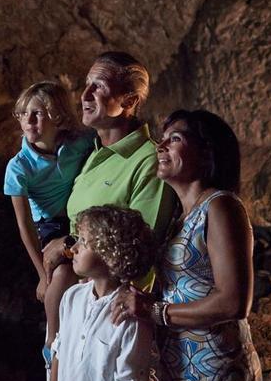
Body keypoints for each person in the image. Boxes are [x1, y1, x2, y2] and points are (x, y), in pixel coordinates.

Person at [110, 109, 264, 381]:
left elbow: (234, 302)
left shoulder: (220, 207)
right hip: (182, 369)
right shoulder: (181, 218)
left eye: (175, 139)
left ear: (207, 153)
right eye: (163, 139)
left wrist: (154, 311)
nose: (161, 146)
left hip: (214, 368)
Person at [43, 52, 175, 293]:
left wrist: (66, 245)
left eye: (99, 86)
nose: (85, 95)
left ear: (129, 101)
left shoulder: (150, 162)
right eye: (86, 85)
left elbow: (141, 249)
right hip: (80, 298)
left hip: (114, 307)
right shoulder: (94, 155)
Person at [4, 81, 94, 365]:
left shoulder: (80, 143)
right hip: (49, 225)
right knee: (63, 273)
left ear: (57, 116)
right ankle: (52, 340)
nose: (29, 121)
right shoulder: (19, 167)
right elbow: (24, 225)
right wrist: (41, 274)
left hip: (79, 215)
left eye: (38, 113)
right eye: (24, 114)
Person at [49, 205, 157, 381]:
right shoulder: (72, 297)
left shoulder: (131, 316)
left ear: (111, 253)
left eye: (83, 241)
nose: (73, 249)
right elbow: (58, 355)